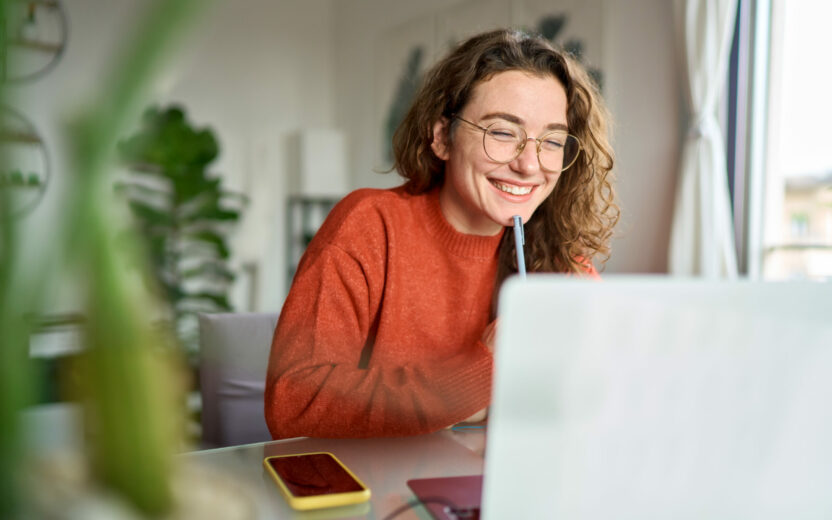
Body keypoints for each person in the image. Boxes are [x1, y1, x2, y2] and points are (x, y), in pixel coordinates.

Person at [264, 28, 618, 439]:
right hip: (376, 494)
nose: (529, 164)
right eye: (502, 132)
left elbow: (603, 397)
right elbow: (294, 403)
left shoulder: (558, 255)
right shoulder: (368, 226)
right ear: (441, 138)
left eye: (552, 141)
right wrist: (482, 371)